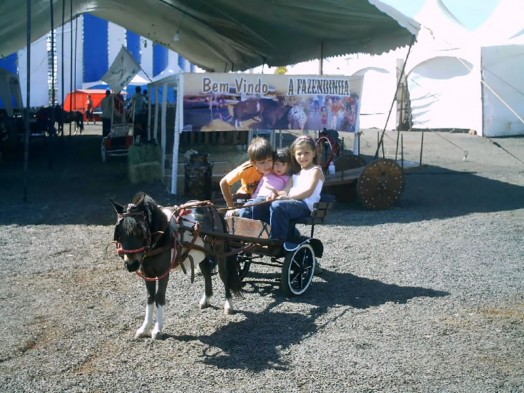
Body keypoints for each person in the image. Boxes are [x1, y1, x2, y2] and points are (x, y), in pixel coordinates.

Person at [268, 135, 324, 242]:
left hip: (306, 206)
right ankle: (272, 235)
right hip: (293, 203)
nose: (302, 156)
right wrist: (276, 193)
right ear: (294, 155)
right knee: (267, 204)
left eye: (306, 152)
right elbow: (284, 191)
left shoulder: (316, 170)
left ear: (314, 153)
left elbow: (309, 191)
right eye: (299, 154)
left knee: (278, 206)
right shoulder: (295, 175)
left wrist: (288, 198)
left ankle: (277, 240)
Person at [220, 136, 273, 217]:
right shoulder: (246, 169)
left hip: (264, 199)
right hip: (245, 197)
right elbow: (224, 183)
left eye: (269, 160)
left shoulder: (276, 166)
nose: (267, 166)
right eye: (262, 162)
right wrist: (230, 207)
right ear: (253, 162)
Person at [249, 147, 292, 224]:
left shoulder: (287, 179)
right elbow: (258, 189)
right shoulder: (267, 174)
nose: (279, 168)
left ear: (288, 166)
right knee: (244, 210)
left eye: (283, 165)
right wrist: (252, 199)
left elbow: (286, 192)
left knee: (257, 205)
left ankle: (260, 230)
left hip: (271, 200)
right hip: (257, 199)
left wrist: (276, 194)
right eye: (276, 164)